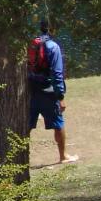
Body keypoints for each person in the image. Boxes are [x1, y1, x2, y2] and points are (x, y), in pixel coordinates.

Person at [28, 20, 77, 164]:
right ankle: (63, 156)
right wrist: (60, 96)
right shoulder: (53, 47)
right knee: (58, 123)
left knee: (26, 126)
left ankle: (18, 159)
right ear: (51, 30)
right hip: (48, 92)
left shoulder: (31, 45)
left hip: (30, 91)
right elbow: (57, 74)